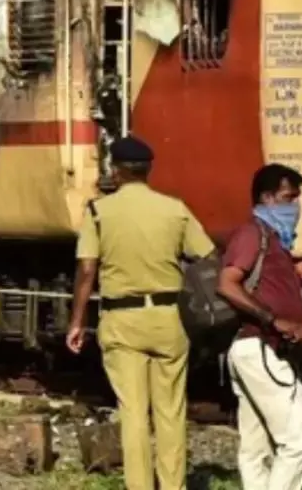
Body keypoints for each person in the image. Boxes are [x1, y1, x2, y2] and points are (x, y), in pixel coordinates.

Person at [66, 136, 215, 490]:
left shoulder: (100, 212)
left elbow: (87, 270)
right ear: (148, 170)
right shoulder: (174, 209)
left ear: (116, 171)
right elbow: (208, 256)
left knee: (133, 413)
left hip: (123, 321)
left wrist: (77, 321)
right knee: (171, 411)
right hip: (169, 319)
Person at [217, 163, 302, 490]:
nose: (295, 207)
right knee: (300, 441)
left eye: (297, 198)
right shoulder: (252, 233)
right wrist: (274, 319)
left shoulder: (276, 241)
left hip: (257, 350)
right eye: (288, 198)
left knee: (256, 449)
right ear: (267, 198)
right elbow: (227, 284)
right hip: (259, 347)